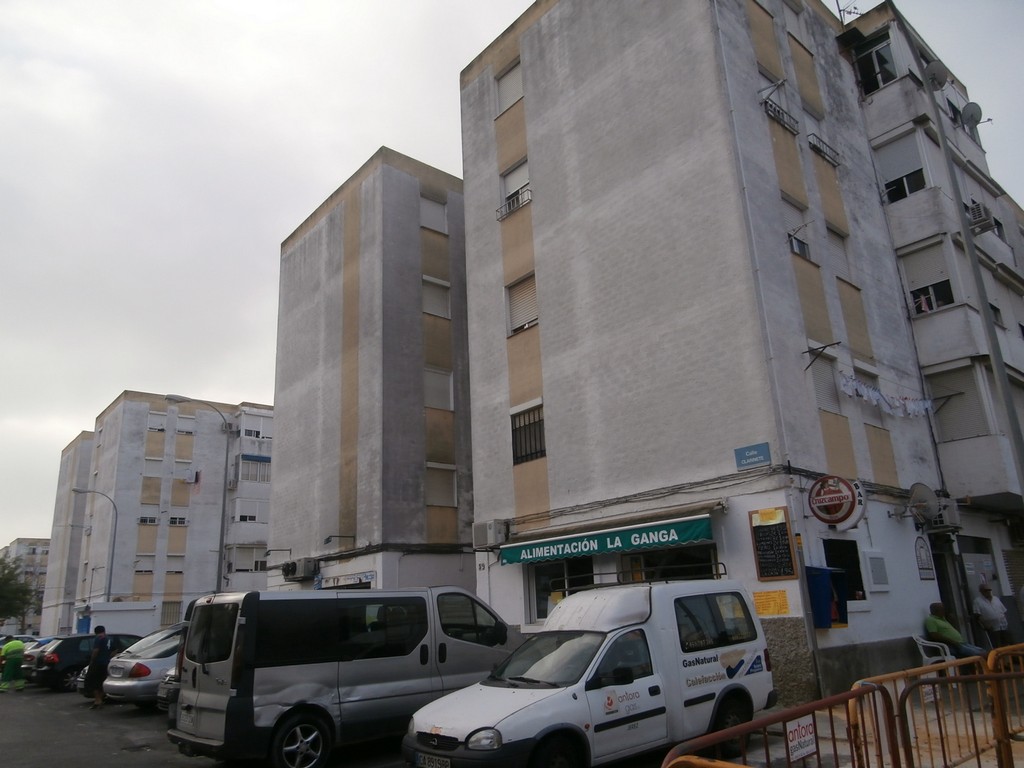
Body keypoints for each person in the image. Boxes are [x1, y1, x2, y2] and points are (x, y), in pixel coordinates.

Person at [84, 625, 115, 709]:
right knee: (102, 681)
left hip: (98, 663)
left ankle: (97, 700)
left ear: (95, 632)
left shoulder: (99, 638)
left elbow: (96, 650)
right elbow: (114, 650)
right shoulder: (109, 639)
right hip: (106, 663)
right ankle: (100, 699)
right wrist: (108, 658)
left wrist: (92, 660)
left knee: (93, 681)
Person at [972, 583, 1010, 648]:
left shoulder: (996, 599)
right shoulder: (977, 601)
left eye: (989, 590)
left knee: (1007, 644)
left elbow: (1003, 611)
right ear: (981, 591)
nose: (988, 592)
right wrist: (985, 625)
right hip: (993, 628)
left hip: (1003, 626)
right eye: (986, 590)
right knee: (997, 646)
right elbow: (977, 615)